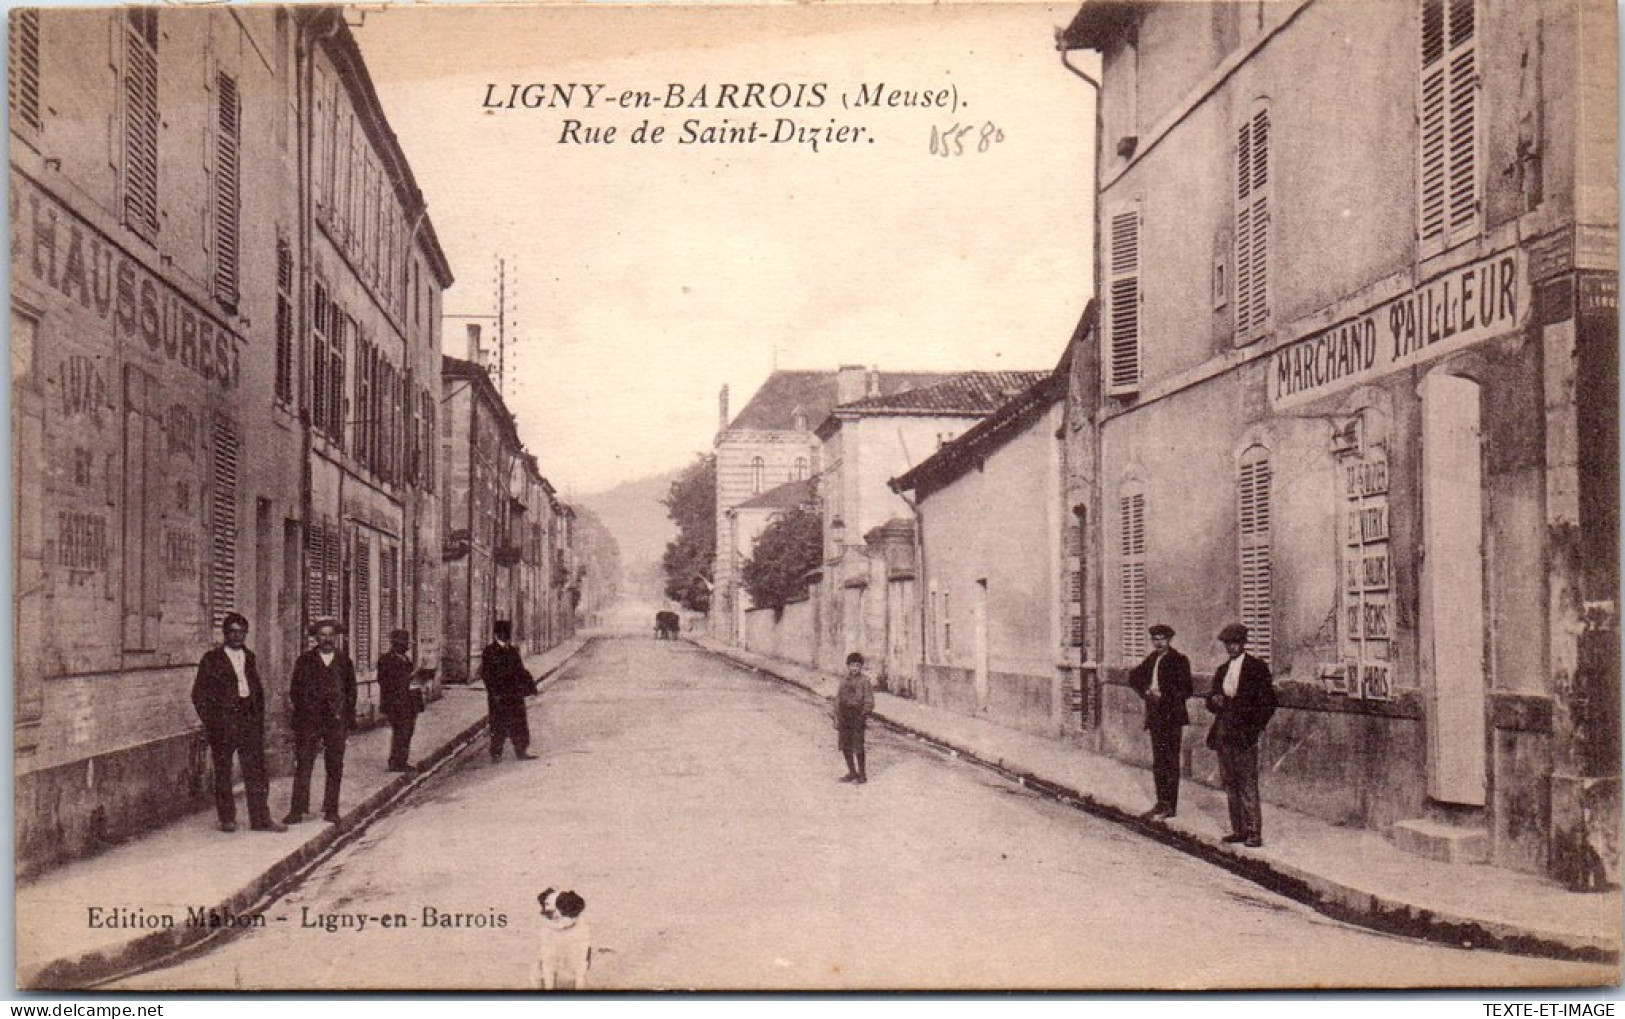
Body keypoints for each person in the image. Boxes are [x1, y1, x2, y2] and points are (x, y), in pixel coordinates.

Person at [191, 614, 286, 834]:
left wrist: (258, 718)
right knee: (223, 771)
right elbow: (199, 694)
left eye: (241, 632)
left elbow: (256, 690)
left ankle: (261, 818)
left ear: (246, 634)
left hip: (248, 720)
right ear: (225, 634)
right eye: (233, 632)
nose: (237, 636)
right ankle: (227, 819)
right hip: (223, 723)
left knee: (256, 771)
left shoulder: (249, 657)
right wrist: (212, 722)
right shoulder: (212, 659)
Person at [1205, 623, 1277, 848]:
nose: (1231, 647)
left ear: (1244, 643)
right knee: (1230, 782)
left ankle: (1254, 832)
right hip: (1224, 732)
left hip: (1244, 734)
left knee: (1247, 782)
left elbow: (1269, 702)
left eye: (1235, 643)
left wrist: (1254, 727)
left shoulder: (1256, 668)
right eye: (1228, 644)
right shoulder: (1222, 670)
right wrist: (1214, 701)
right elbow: (1212, 697)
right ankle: (1239, 830)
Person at [284, 618, 357, 825]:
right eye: (322, 635)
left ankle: (331, 809)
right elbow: (295, 691)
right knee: (304, 764)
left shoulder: (344, 661)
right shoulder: (305, 661)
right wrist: (306, 712)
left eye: (330, 635)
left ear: (336, 637)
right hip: (309, 721)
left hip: (335, 721)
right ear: (316, 637)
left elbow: (351, 692)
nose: (327, 639)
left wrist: (346, 717)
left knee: (334, 765)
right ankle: (297, 810)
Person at [1127, 623, 1193, 820]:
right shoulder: (1152, 659)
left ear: (1169, 640)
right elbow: (1133, 676)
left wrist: (1163, 696)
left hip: (1172, 718)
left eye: (1161, 639)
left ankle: (1170, 806)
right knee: (1158, 762)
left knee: (1171, 762)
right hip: (1156, 717)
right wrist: (1146, 691)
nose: (1158, 642)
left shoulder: (1179, 660)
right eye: (1155, 639)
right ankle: (1160, 802)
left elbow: (1186, 690)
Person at [481, 620, 536, 761]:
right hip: (498, 695)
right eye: (502, 634)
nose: (505, 637)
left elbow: (521, 670)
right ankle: (496, 752)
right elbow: (486, 675)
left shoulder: (512, 651)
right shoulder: (489, 652)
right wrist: (493, 693)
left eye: (507, 635)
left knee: (519, 723)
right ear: (496, 635)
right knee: (498, 724)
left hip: (514, 694)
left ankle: (521, 751)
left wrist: (529, 686)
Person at [378, 628, 422, 773]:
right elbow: (385, 681)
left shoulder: (405, 658)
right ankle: (396, 762)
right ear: (395, 644)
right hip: (395, 702)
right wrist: (409, 677)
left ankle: (402, 760)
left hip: (409, 702)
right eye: (403, 644)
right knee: (400, 732)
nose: (406, 646)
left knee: (408, 731)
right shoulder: (386, 660)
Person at [532, 888, 593, 990]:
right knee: (544, 967)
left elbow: (581, 970)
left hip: (573, 982)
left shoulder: (581, 932)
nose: (549, 910)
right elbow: (547, 967)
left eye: (559, 905)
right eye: (547, 904)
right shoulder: (546, 932)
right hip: (549, 981)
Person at [834, 651, 874, 784]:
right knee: (845, 745)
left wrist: (863, 715)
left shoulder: (865, 681)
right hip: (845, 716)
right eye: (852, 666)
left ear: (861, 667)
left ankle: (862, 775)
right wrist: (837, 716)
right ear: (848, 666)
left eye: (857, 666)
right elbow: (838, 699)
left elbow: (869, 701)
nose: (854, 668)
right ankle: (852, 772)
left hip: (857, 716)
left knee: (858, 745)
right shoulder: (844, 681)